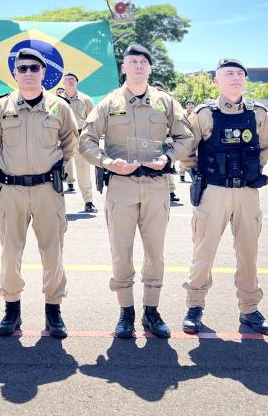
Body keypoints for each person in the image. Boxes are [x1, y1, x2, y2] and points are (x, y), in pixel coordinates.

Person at [79, 45, 192, 338]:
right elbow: (86, 140)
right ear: (124, 68)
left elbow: (185, 137)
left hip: (155, 187)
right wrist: (107, 162)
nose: (139, 66)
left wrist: (168, 158)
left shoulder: (166, 103)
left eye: (143, 62)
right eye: (133, 61)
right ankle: (125, 311)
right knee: (121, 251)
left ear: (150, 69)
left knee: (155, 252)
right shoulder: (108, 103)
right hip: (121, 187)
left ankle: (151, 311)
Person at [0, 48, 78, 339]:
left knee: (53, 253)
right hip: (11, 190)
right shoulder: (0, 108)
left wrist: (53, 167)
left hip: (47, 190)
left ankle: (53, 311)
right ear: (15, 73)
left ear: (43, 73)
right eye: (22, 68)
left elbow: (69, 142)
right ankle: (12, 310)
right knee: (10, 253)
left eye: (33, 68)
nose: (27, 73)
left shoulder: (59, 107)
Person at [180, 58, 268, 335]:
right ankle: (194, 307)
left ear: (245, 80)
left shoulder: (258, 113)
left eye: (239, 74)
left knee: (248, 253)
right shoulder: (203, 114)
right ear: (216, 81)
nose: (235, 78)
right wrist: (201, 176)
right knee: (204, 251)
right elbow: (188, 150)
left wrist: (252, 170)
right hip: (214, 191)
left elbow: (266, 145)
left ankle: (249, 309)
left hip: (247, 192)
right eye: (228, 74)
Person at [61, 72, 97, 213]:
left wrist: (91, 139)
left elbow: (92, 121)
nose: (70, 82)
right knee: (57, 172)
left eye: (72, 80)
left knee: (83, 171)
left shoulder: (85, 100)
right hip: (62, 139)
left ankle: (88, 201)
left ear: (77, 82)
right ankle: (55, 205)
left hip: (81, 137)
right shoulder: (56, 100)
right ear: (63, 83)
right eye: (67, 80)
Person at [152, 81, 181, 202]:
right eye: (155, 90)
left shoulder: (169, 103)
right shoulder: (149, 103)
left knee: (167, 166)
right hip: (151, 140)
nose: (158, 92)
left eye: (160, 90)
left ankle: (171, 192)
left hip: (166, 139)